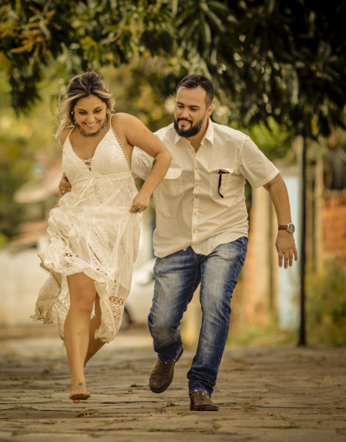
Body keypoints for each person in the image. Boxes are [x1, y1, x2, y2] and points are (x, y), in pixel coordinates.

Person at [62, 74, 298, 411]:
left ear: (209, 109)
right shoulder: (156, 143)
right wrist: (70, 177)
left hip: (225, 236)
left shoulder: (236, 143)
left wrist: (285, 229)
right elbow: (112, 167)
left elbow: (274, 181)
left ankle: (201, 386)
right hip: (175, 244)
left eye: (192, 108)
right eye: (179, 105)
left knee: (215, 303)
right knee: (160, 323)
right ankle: (169, 353)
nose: (183, 113)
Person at [34, 71, 172, 403]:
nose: (91, 118)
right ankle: (77, 381)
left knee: (106, 312)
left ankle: (75, 363)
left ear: (107, 106)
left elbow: (163, 155)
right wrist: (64, 183)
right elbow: (76, 175)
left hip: (118, 227)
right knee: (81, 301)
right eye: (82, 112)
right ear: (72, 112)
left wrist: (146, 193)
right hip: (78, 223)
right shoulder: (65, 135)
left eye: (97, 110)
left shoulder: (122, 124)